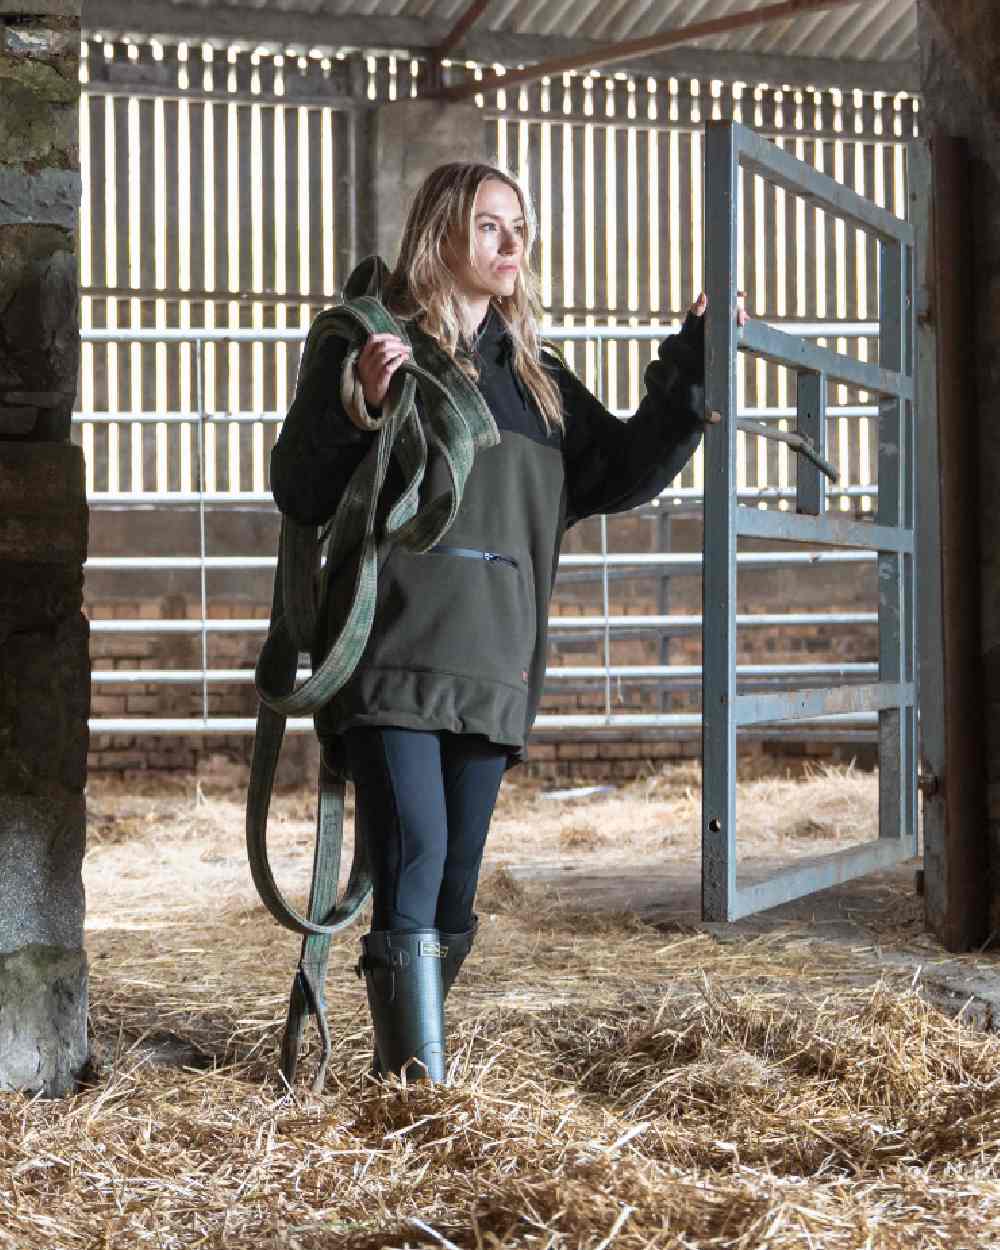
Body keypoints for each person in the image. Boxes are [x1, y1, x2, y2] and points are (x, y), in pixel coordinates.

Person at [270, 161, 743, 1084]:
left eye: (519, 226)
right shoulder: (375, 342)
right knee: (417, 855)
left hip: (494, 660)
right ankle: (416, 1092)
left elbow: (626, 471)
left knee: (453, 883)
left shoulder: (536, 379)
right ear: (440, 232)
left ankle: (410, 1055)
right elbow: (299, 485)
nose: (513, 244)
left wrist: (694, 355)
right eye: (490, 225)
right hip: (392, 651)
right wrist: (361, 402)